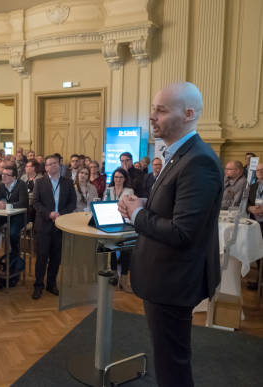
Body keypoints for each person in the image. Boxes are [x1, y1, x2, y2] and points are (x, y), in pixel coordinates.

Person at [118, 82, 223, 387]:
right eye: (153, 108)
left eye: (161, 110)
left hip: (173, 281)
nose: (152, 116)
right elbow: (173, 206)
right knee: (168, 361)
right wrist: (144, 203)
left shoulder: (198, 161)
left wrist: (137, 214)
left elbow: (182, 232)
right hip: (164, 278)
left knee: (172, 367)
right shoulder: (178, 154)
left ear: (189, 114)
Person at [32, 154, 76, 300]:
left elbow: (72, 204)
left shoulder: (68, 182)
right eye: (49, 164)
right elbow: (36, 203)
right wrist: (49, 214)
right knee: (41, 257)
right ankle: (38, 285)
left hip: (61, 225)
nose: (53, 166)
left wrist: (60, 214)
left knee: (56, 257)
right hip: (44, 224)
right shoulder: (39, 182)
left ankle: (51, 284)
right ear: (45, 167)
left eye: (55, 163)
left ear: (60, 165)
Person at [0, 164, 28, 261]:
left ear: (14, 177)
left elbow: (23, 203)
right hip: (5, 215)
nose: (3, 176)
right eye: (3, 174)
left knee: (12, 233)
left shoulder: (21, 185)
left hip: (19, 215)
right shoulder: (1, 186)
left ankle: (15, 254)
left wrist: (7, 205)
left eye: (7, 175)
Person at [247, 163, 263, 235]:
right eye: (257, 170)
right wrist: (250, 208)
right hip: (254, 222)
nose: (260, 172)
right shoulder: (252, 186)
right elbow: (246, 202)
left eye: (262, 170)